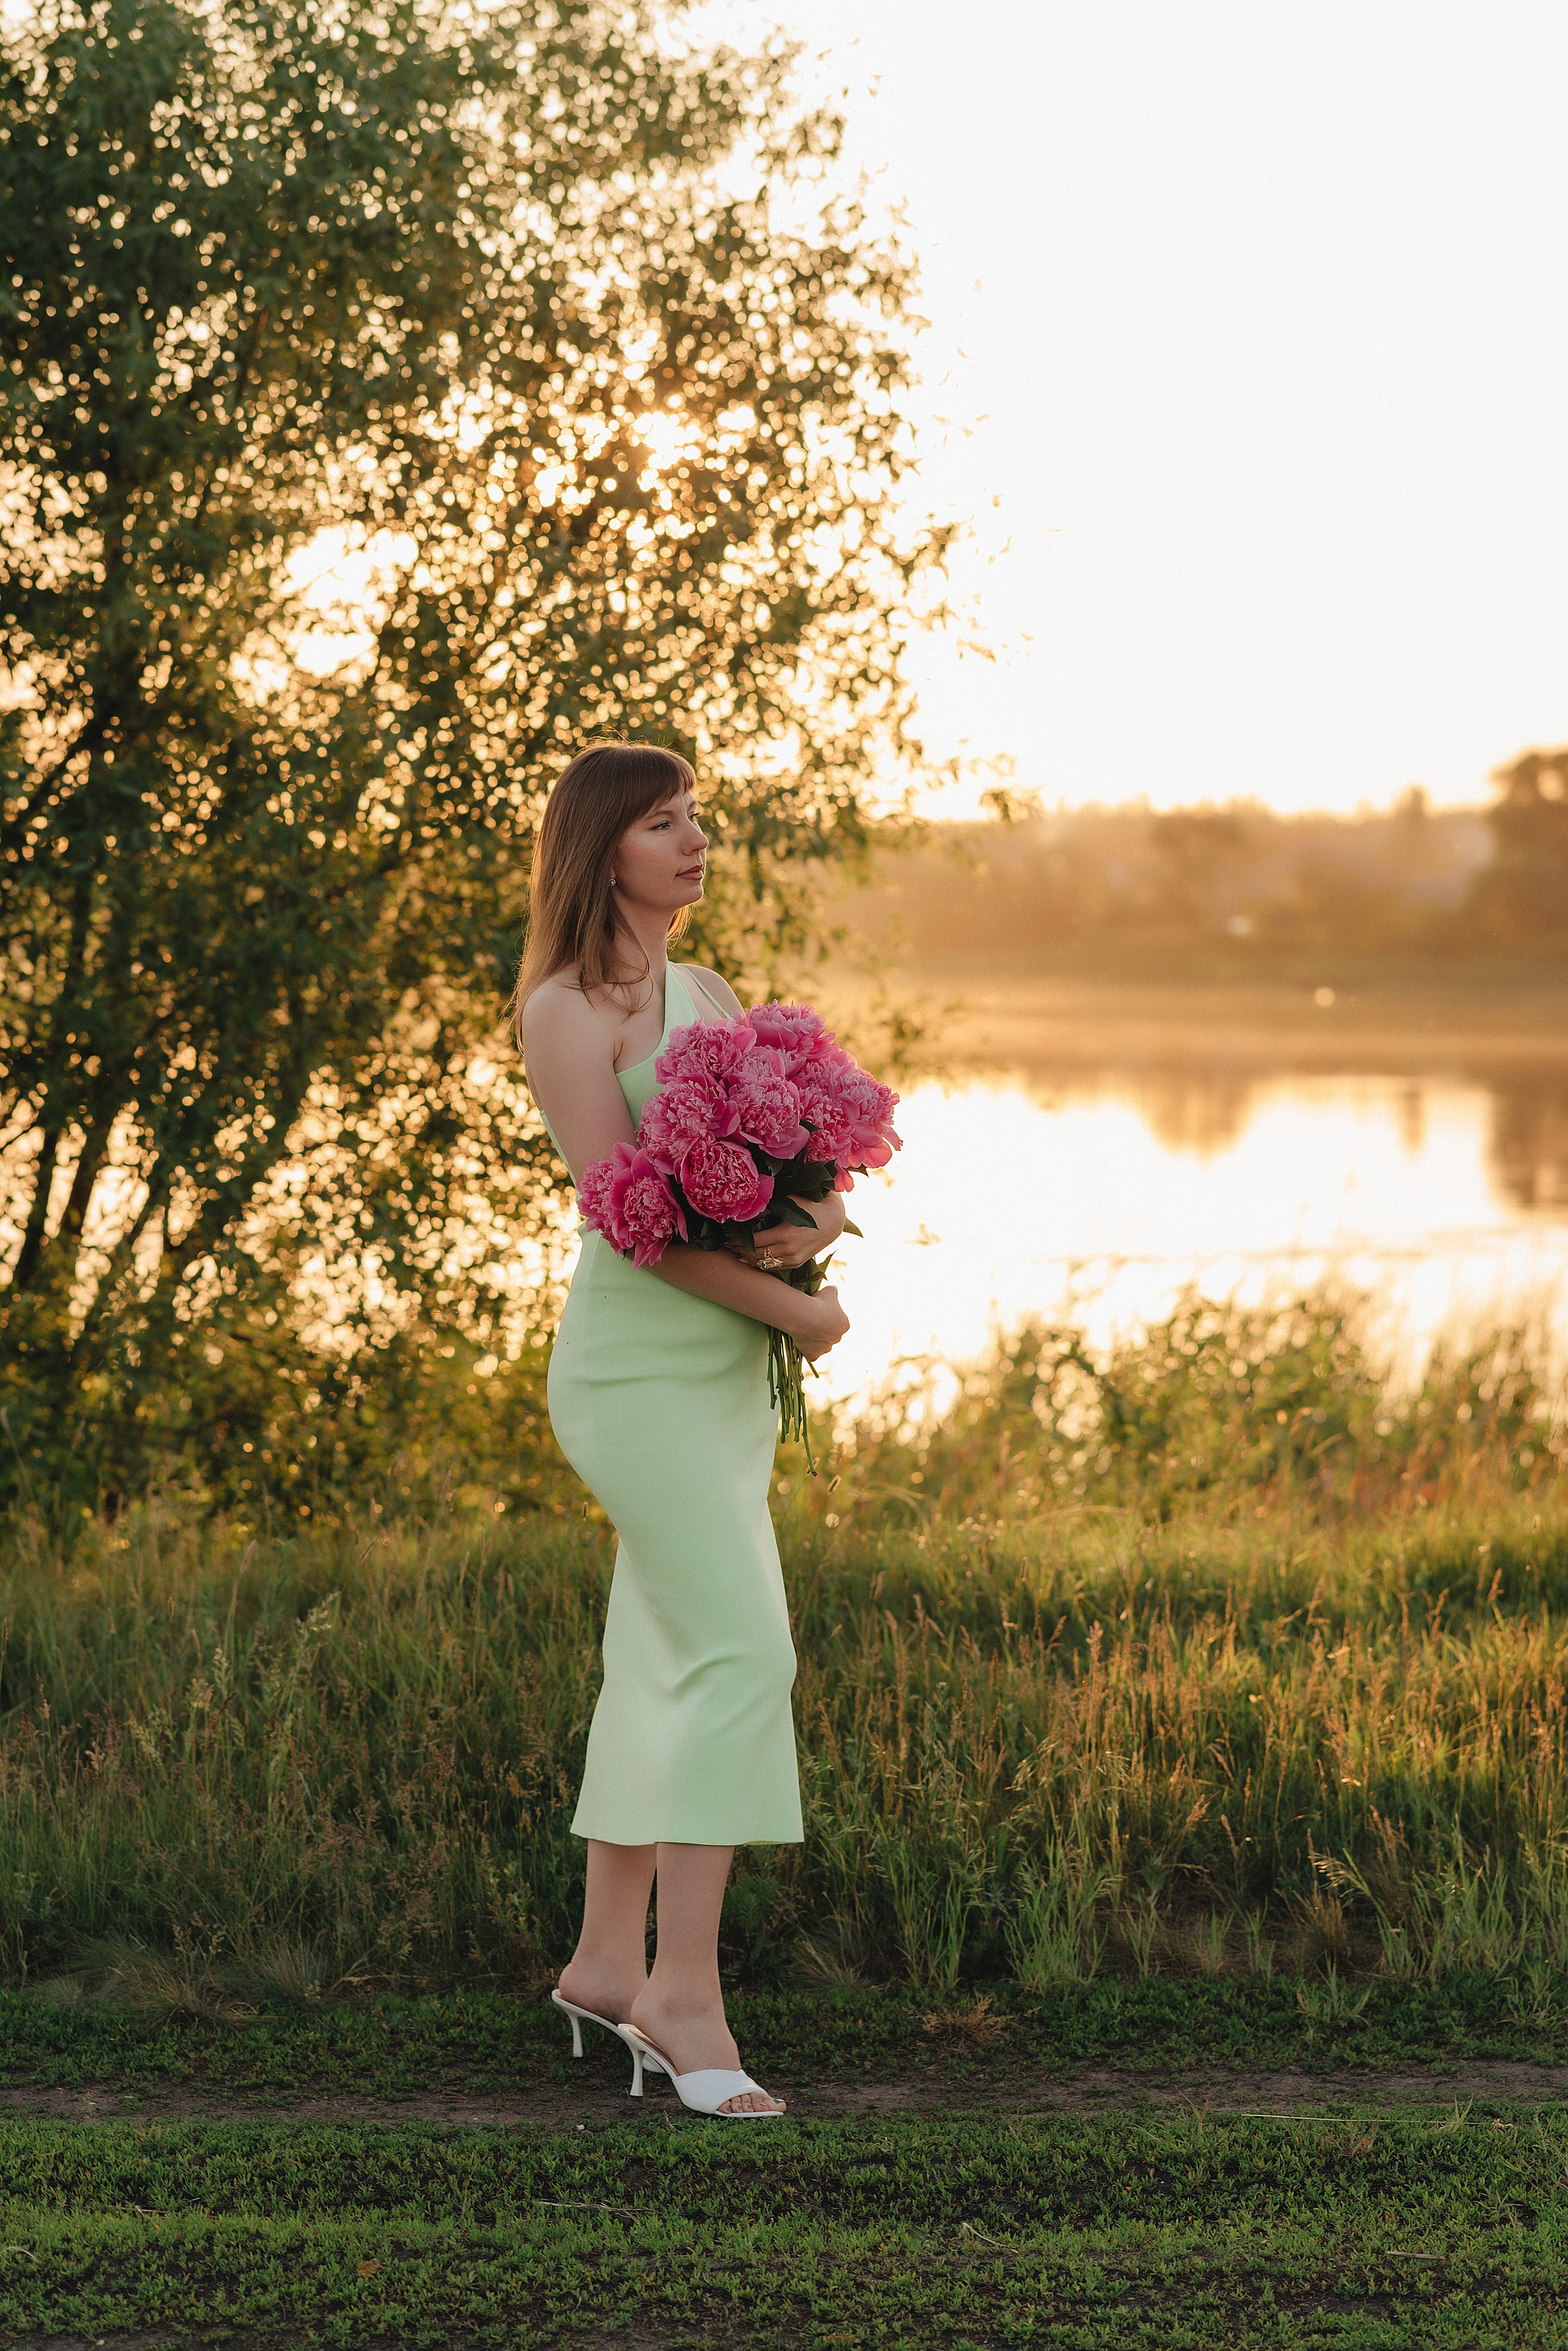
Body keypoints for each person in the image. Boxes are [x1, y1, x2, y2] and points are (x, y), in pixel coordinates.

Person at [516, 740, 850, 2118]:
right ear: (606, 849)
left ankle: (604, 1962)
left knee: (656, 1648)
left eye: (697, 817)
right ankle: (682, 1993)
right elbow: (636, 1229)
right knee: (740, 1650)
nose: (697, 840)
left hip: (726, 1381)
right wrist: (799, 1313)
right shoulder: (561, 1013)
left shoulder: (709, 993)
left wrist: (820, 1230)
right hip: (636, 1376)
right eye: (665, 823)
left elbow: (812, 1177)